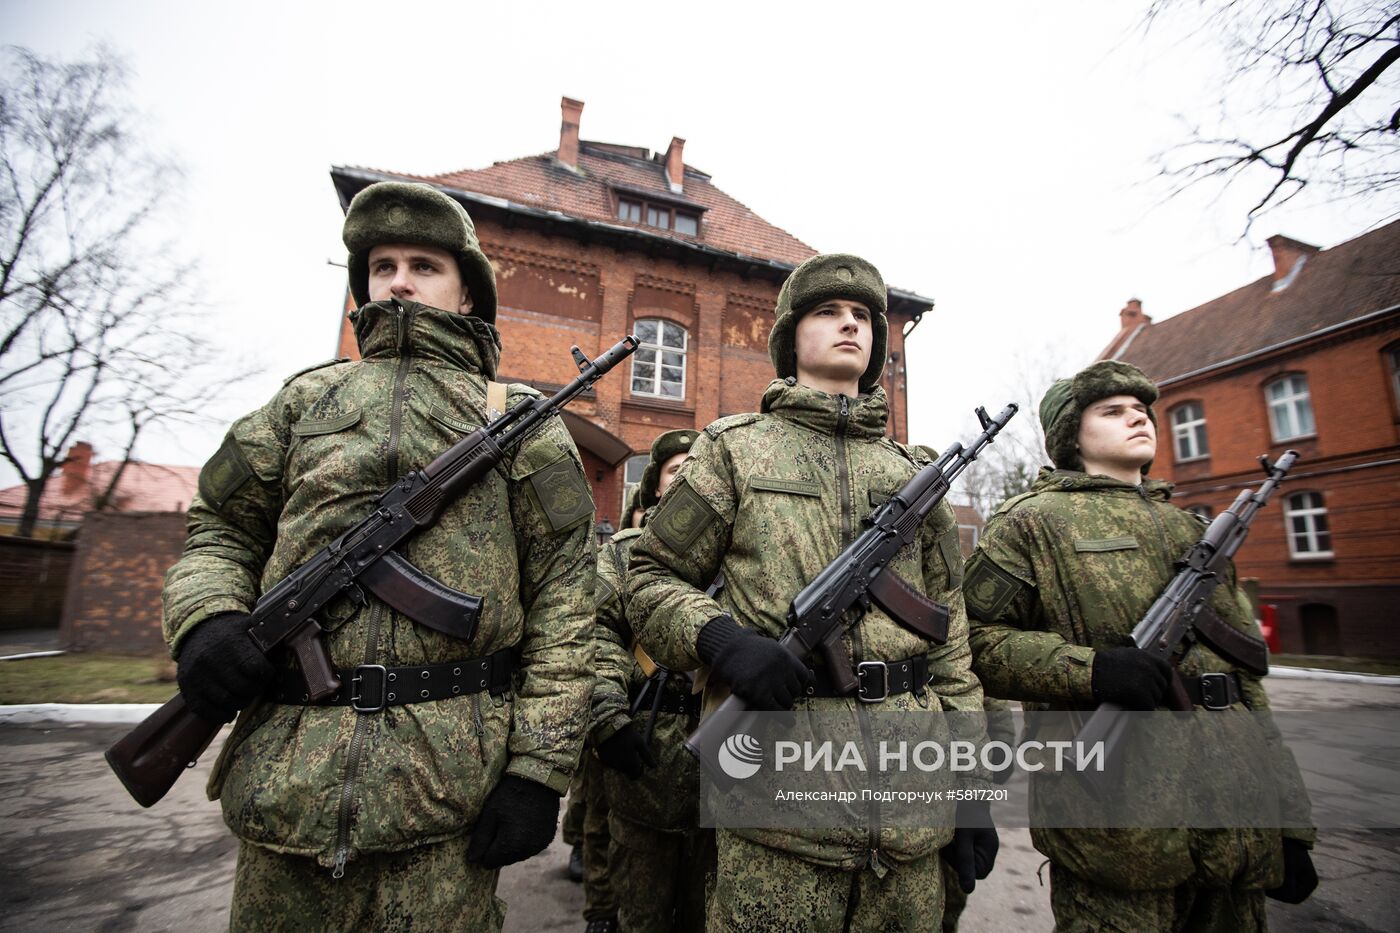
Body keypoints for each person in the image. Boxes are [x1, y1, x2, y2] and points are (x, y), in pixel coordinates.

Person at [163, 182, 596, 931]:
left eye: (425, 265)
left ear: (467, 292)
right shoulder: (302, 403)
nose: (399, 281)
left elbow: (566, 598)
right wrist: (208, 619)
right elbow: (220, 528)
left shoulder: (518, 421)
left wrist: (538, 770)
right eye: (382, 265)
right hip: (287, 787)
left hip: (446, 791)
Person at [626, 254, 996, 931]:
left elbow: (951, 641)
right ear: (790, 337)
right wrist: (723, 642)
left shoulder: (914, 474)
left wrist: (971, 786)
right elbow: (648, 577)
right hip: (777, 812)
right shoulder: (735, 450)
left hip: (912, 816)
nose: (850, 324)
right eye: (828, 311)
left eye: (863, 316)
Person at [964, 360, 1318, 932]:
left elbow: (1244, 685)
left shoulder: (1191, 531)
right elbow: (974, 641)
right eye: (1113, 411)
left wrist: (1290, 822)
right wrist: (1091, 670)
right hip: (1120, 828)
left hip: (1238, 822)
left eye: (1142, 411)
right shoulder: (1033, 523)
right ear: (1072, 435)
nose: (1138, 419)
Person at [592, 429, 712, 933]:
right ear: (656, 488)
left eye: (696, 467)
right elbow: (593, 633)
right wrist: (608, 718)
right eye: (674, 469)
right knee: (642, 918)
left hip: (728, 760)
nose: (685, 475)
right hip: (646, 758)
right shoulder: (624, 554)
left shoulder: (738, 554)